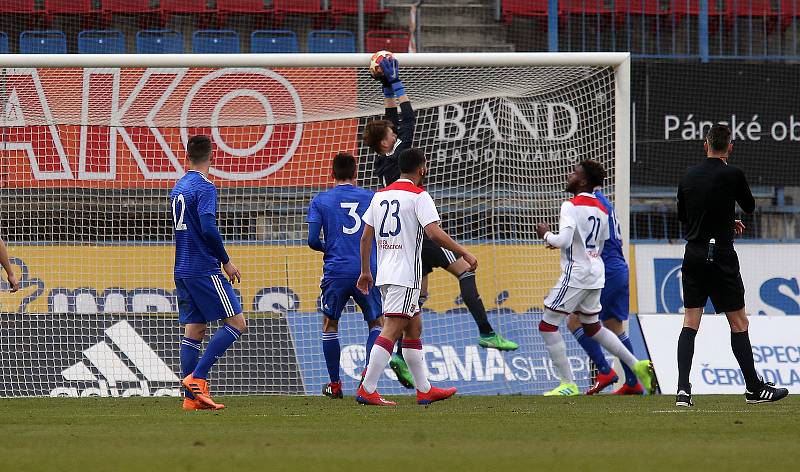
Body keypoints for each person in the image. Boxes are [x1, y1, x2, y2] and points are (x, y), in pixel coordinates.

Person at [363, 55, 518, 389]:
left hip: (401, 245)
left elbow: (392, 118)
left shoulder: (383, 162)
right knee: (465, 268)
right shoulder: (401, 155)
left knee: (414, 309)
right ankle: (486, 333)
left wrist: (386, 85)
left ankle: (408, 367)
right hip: (420, 236)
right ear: (387, 141)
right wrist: (398, 82)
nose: (395, 131)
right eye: (391, 133)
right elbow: (407, 117)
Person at [675, 124, 788, 407]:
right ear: (730, 147)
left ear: (705, 145)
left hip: (694, 253)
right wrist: (727, 220)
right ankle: (753, 388)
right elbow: (749, 206)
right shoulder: (732, 173)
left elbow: (683, 216)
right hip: (721, 255)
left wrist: (721, 220)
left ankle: (682, 391)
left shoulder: (688, 175)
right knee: (738, 323)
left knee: (690, 321)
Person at [355, 148, 473, 406]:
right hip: (405, 275)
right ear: (422, 168)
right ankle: (367, 388)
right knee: (392, 329)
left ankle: (424, 389)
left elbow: (365, 237)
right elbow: (433, 233)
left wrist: (366, 271)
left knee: (414, 326)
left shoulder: (380, 195)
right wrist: (464, 252)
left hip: (385, 272)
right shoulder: (419, 196)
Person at [535, 160, 653, 396]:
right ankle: (635, 365)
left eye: (574, 173)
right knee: (594, 326)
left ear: (584, 181)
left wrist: (546, 234)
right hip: (597, 271)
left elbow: (564, 241)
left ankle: (568, 383)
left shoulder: (570, 205)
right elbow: (599, 243)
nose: (570, 175)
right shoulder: (602, 208)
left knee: (548, 325)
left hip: (579, 273)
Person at [171, 135, 246, 411]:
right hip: (204, 268)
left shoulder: (178, 187)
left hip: (182, 268)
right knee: (237, 323)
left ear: (187, 156)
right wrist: (225, 261)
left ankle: (192, 400)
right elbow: (208, 228)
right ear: (211, 156)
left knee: (195, 328)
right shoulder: (205, 187)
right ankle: (197, 379)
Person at [307, 152, 384, 399]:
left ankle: (335, 385)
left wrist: (328, 248)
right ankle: (366, 378)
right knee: (376, 323)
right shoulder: (372, 197)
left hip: (336, 271)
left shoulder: (321, 201)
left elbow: (311, 240)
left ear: (332, 173)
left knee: (330, 324)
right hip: (366, 271)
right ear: (355, 173)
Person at [565, 186, 644, 395]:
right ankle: (633, 382)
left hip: (605, 269)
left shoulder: (592, 204)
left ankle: (604, 371)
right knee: (614, 326)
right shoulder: (605, 203)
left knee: (574, 321)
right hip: (618, 267)